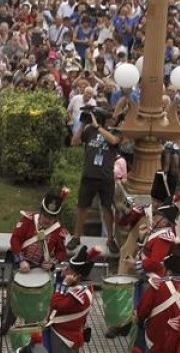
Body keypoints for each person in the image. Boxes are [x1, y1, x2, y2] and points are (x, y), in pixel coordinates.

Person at [0, 189, 70, 336]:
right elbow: (15, 239)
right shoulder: (28, 220)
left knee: (36, 302)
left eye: (51, 217)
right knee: (13, 297)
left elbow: (62, 252)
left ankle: (31, 329)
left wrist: (52, 262)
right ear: (41, 211)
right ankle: (6, 324)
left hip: (41, 269)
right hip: (21, 264)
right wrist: (20, 259)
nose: (47, 220)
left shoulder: (59, 231)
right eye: (45, 215)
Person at [67, 107, 120, 254]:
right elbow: (74, 142)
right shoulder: (89, 130)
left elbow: (113, 141)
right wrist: (83, 125)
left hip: (106, 177)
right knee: (82, 207)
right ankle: (76, 237)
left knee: (107, 208)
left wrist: (98, 127)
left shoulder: (116, 132)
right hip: (89, 175)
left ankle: (110, 239)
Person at [43, 245, 100, 351]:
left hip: (64, 337)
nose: (64, 269)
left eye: (68, 268)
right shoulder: (82, 285)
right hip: (67, 332)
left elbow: (55, 303)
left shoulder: (79, 295)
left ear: (75, 276)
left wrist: (64, 284)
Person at [118, 170, 175, 275]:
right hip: (138, 241)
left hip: (156, 251)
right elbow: (122, 222)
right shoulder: (144, 205)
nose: (155, 204)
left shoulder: (171, 217)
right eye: (154, 200)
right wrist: (128, 212)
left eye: (159, 202)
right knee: (126, 251)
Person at [136, 245, 180, 352]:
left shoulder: (157, 285)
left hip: (153, 339)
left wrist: (140, 321)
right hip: (175, 344)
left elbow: (142, 311)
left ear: (169, 271)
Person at [136, 193, 180, 278]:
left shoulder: (163, 239)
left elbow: (155, 263)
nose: (154, 216)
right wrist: (141, 237)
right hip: (146, 270)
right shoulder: (156, 231)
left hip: (154, 277)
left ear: (164, 222)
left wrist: (134, 263)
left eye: (157, 215)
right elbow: (146, 250)